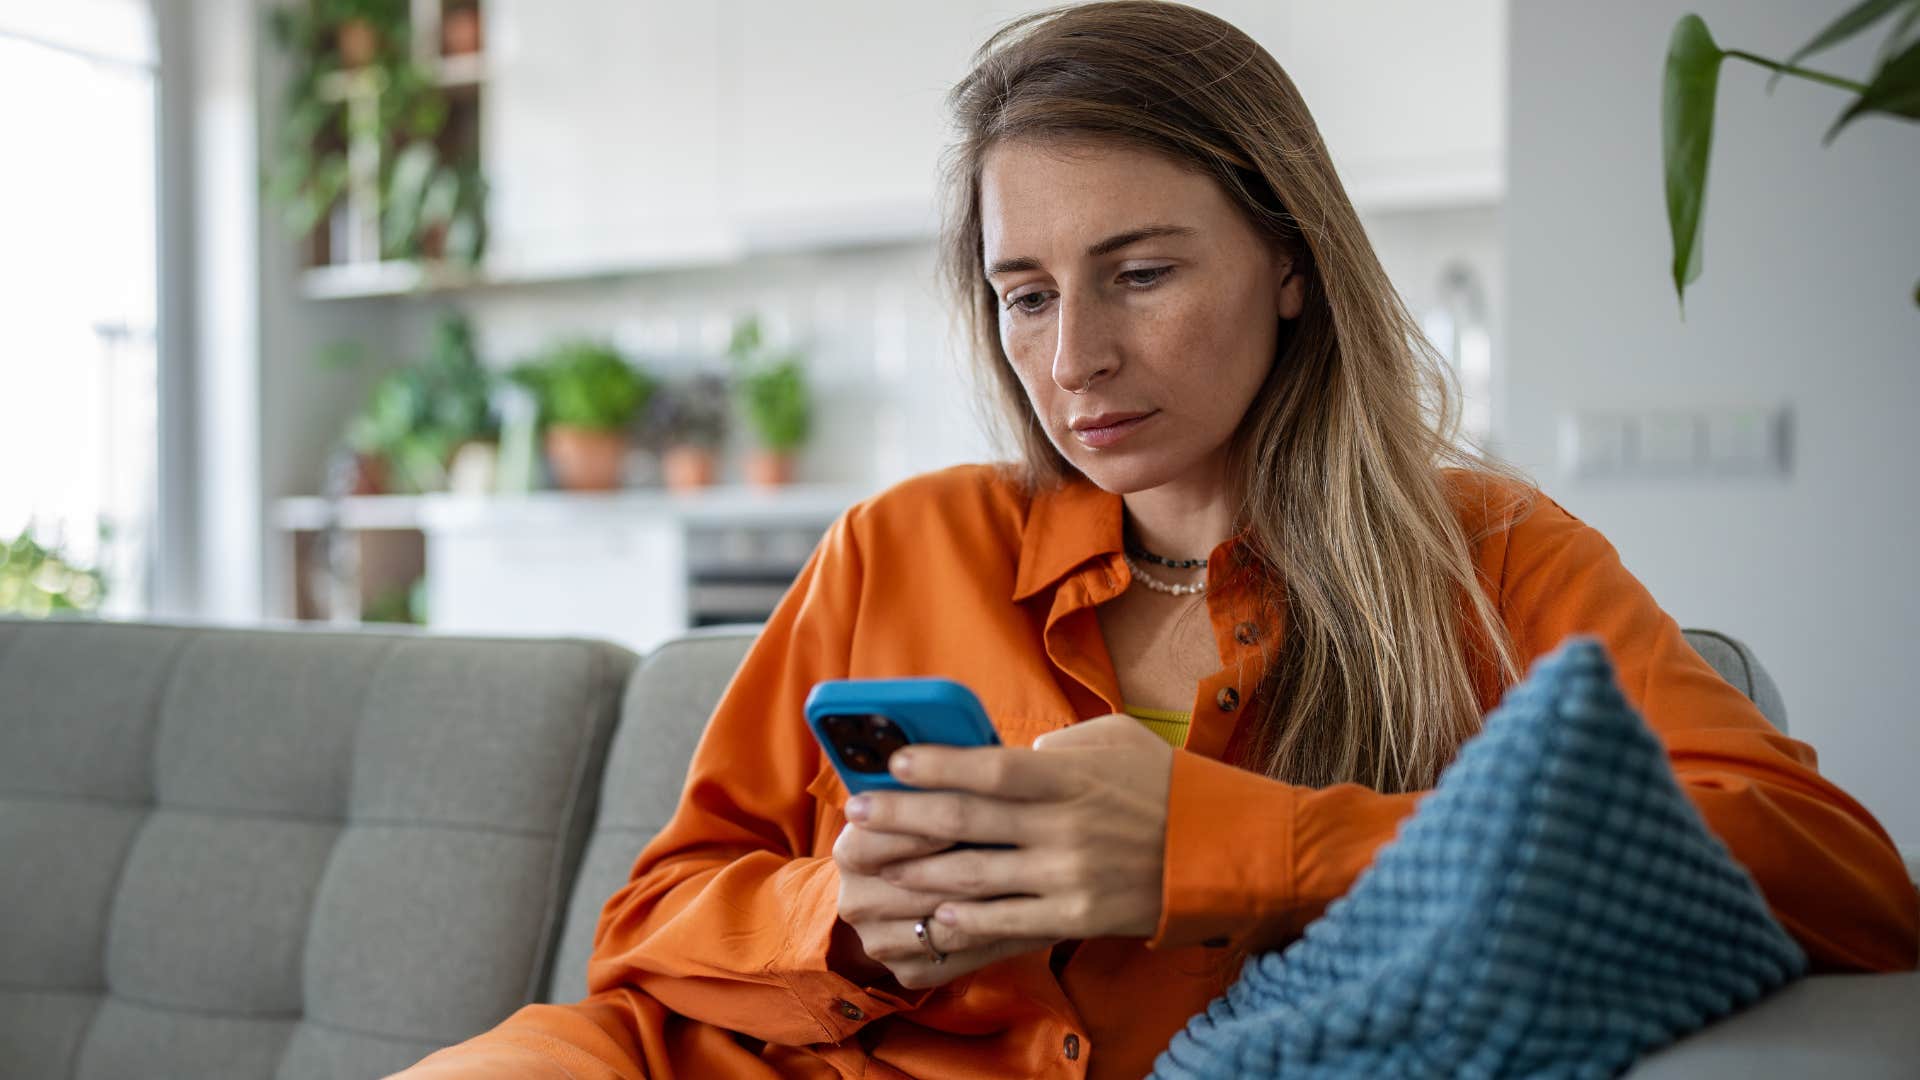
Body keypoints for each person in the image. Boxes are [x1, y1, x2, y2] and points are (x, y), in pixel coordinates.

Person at [394, 4, 1918, 1077]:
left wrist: (1224, 851)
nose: (1074, 362)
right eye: (1029, 293)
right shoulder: (897, 545)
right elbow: (646, 936)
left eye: (1139, 273)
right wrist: (845, 919)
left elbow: (1843, 885)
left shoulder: (1487, 558)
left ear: (1290, 265)